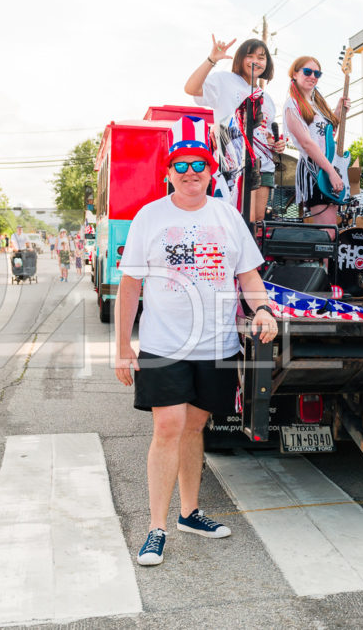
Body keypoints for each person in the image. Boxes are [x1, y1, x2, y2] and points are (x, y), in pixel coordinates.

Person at [114, 116, 277, 567]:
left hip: (217, 344)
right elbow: (129, 285)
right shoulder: (150, 216)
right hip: (165, 344)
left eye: (199, 165)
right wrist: (123, 346)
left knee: (194, 427)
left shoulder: (227, 216)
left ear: (210, 171)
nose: (190, 172)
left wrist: (262, 308)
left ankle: (189, 513)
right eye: (181, 165)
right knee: (167, 426)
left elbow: (248, 275)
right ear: (168, 172)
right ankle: (156, 527)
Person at [184, 36, 287, 222]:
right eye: (250, 56)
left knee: (256, 221)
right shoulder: (224, 80)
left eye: (261, 57)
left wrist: (276, 144)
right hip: (233, 165)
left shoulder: (266, 97)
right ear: (240, 58)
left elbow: (265, 134)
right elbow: (191, 88)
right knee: (235, 219)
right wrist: (212, 59)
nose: (256, 61)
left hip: (264, 166)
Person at [283, 56, 349, 229]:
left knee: (331, 230)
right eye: (307, 71)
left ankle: (326, 258)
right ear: (295, 73)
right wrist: (332, 172)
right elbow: (306, 143)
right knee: (326, 231)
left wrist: (338, 111)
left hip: (327, 165)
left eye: (317, 73)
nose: (313, 76)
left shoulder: (316, 103)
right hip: (314, 169)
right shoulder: (292, 104)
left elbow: (325, 137)